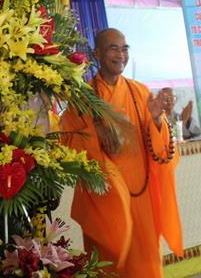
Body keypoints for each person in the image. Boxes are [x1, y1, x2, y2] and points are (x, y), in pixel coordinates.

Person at [61, 28, 183, 277]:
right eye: (113, 48)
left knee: (146, 264)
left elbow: (162, 149)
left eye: (125, 49)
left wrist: (156, 119)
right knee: (110, 265)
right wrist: (95, 133)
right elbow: (68, 145)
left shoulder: (140, 92)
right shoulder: (82, 99)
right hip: (104, 201)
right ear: (96, 53)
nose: (121, 55)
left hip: (141, 196)